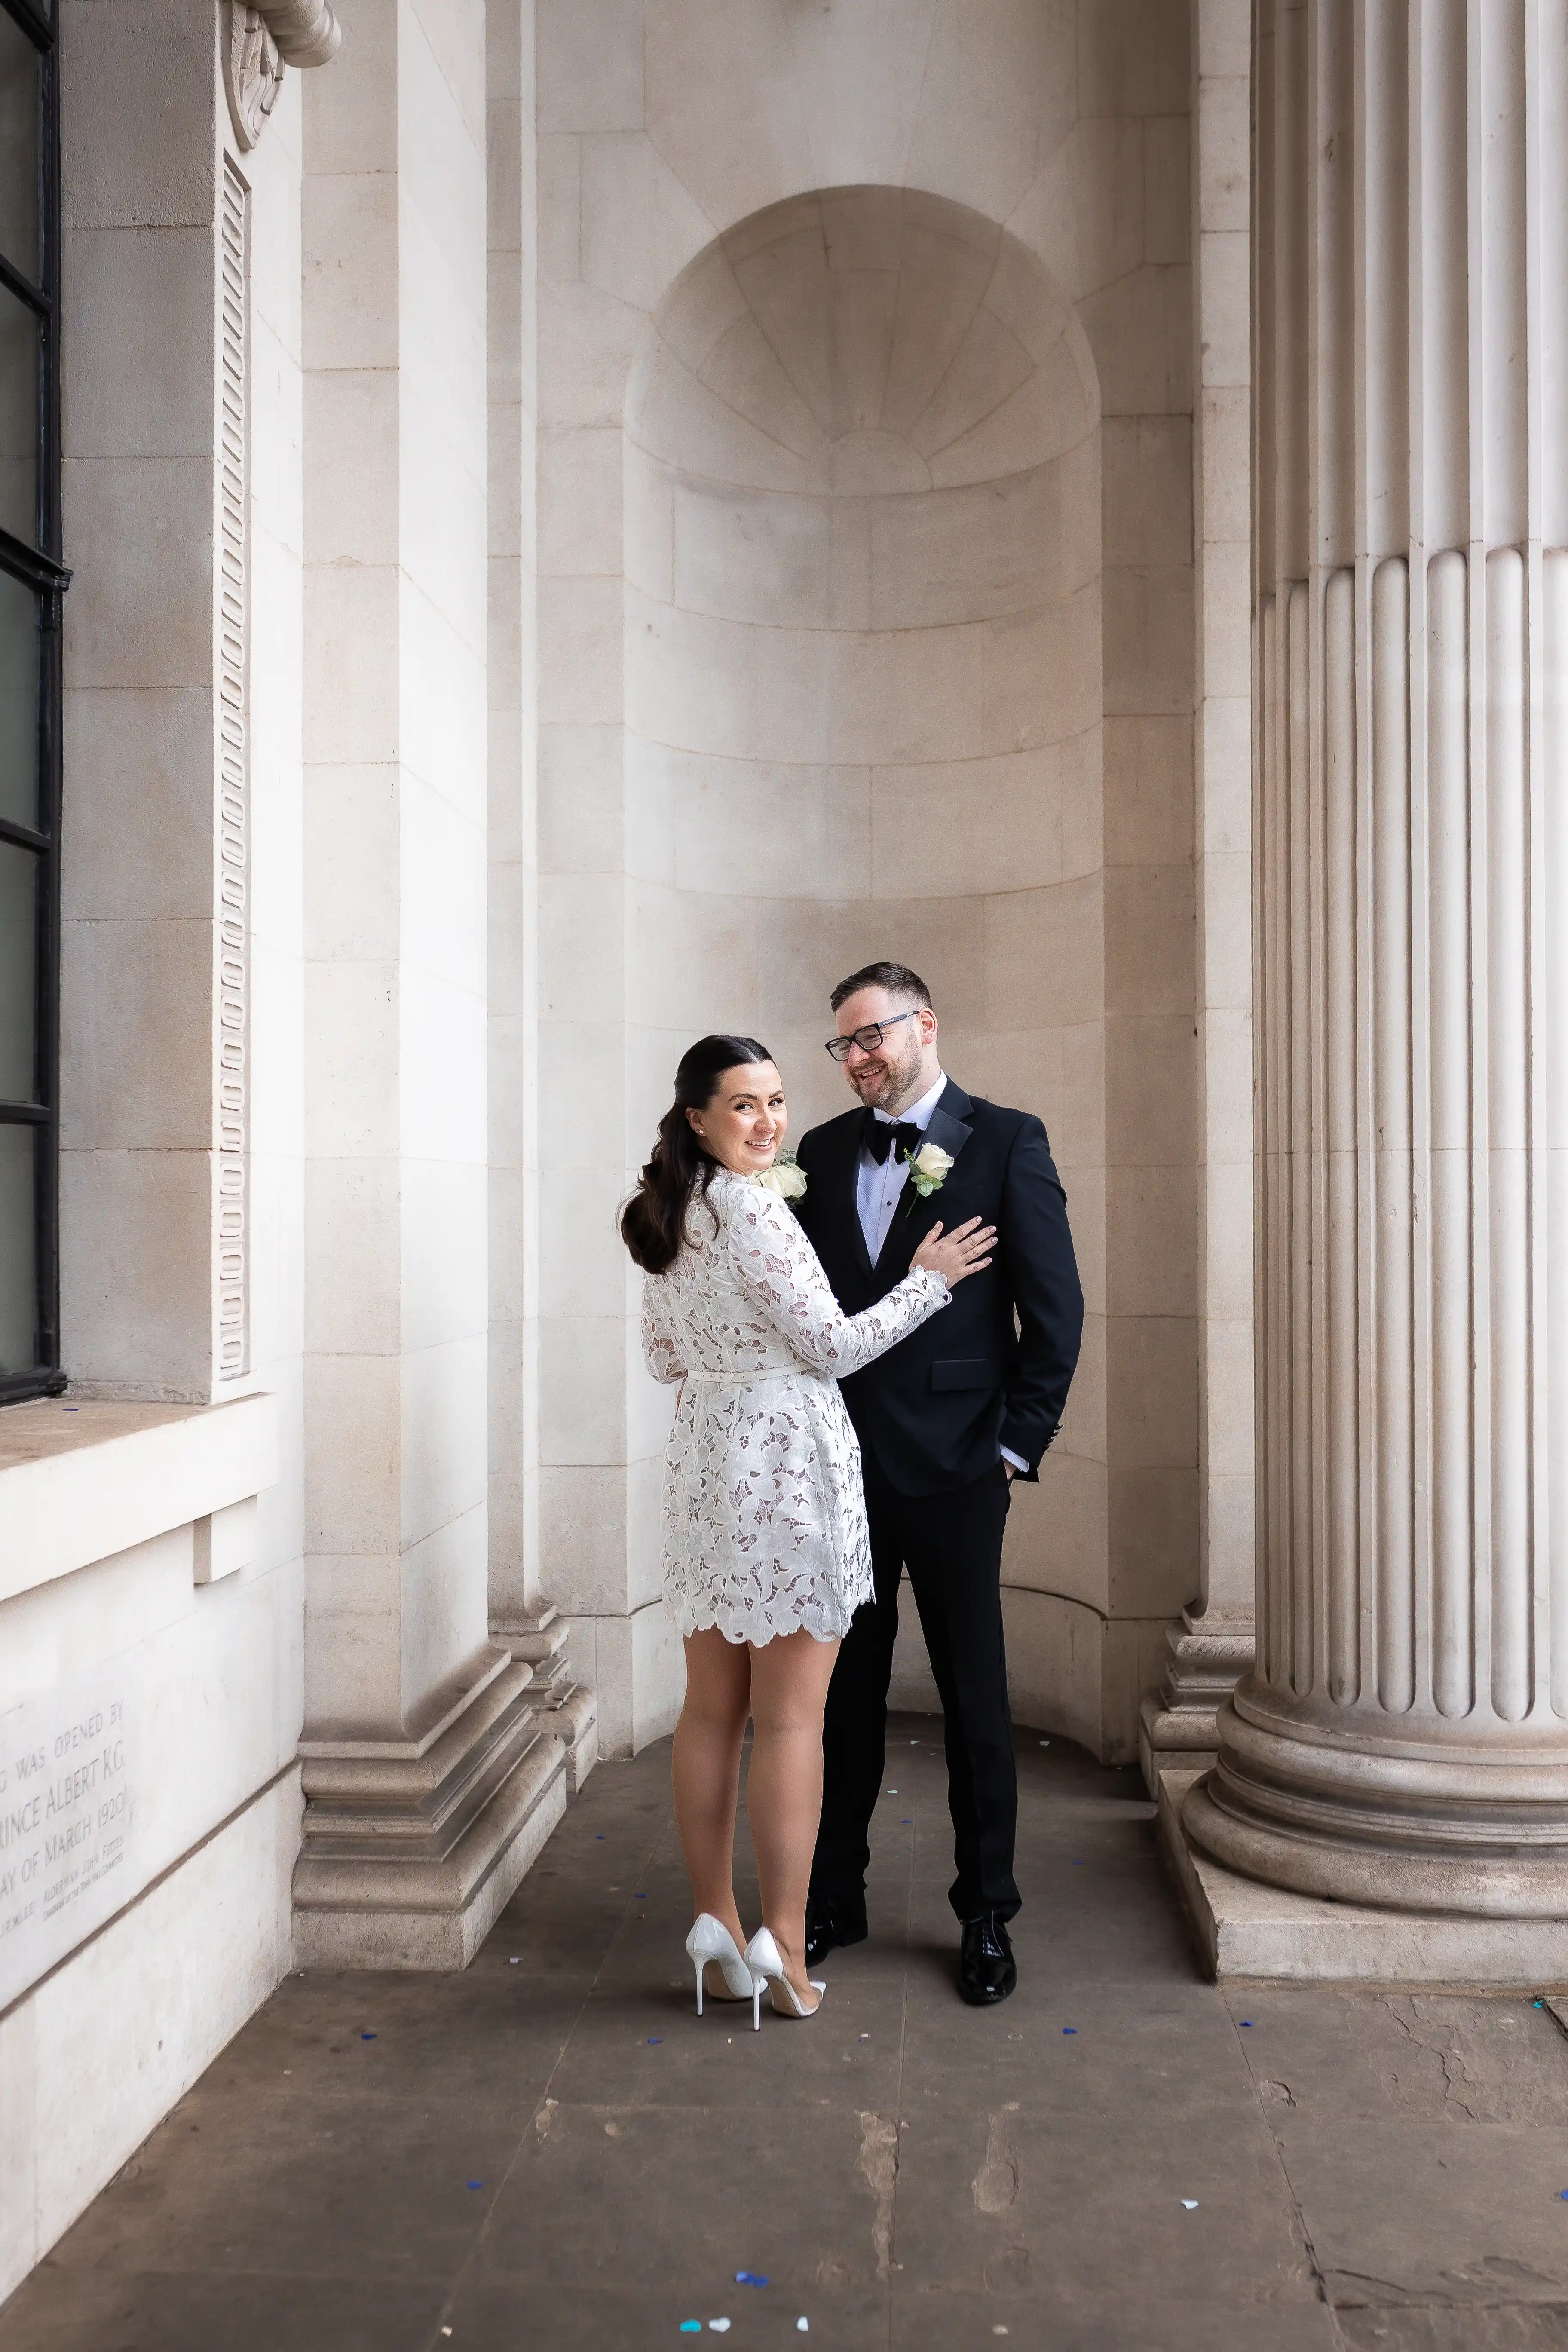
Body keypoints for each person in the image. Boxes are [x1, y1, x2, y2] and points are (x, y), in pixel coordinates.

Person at [621, 1034, 996, 2024]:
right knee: (790, 1719)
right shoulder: (753, 1209)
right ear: (698, 1116)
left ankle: (714, 1924)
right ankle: (783, 1948)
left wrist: (730, 1360)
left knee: (711, 1711)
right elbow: (833, 1345)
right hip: (785, 1470)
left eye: (777, 1101)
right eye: (744, 1104)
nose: (768, 1121)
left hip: (708, 1464)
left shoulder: (674, 1207)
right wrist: (928, 1278)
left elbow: (664, 1358)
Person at [791, 963, 1084, 2006]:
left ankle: (986, 1913)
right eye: (844, 1044)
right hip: (844, 1470)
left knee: (975, 1699)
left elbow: (1055, 1309)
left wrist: (1015, 1446)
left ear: (925, 1025)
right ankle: (834, 1896)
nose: (857, 1058)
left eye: (871, 1035)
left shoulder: (1006, 1140)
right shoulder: (820, 1152)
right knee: (842, 1696)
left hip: (962, 1465)